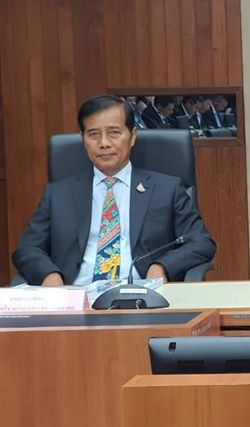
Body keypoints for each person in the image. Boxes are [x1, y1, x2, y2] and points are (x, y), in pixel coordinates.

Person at [13, 94, 216, 285]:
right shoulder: (58, 194)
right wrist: (49, 274)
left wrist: (162, 266)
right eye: (93, 135)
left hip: (140, 296)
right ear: (83, 139)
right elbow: (27, 248)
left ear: (132, 136)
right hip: (76, 296)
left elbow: (201, 242)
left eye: (114, 133)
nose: (104, 143)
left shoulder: (166, 189)